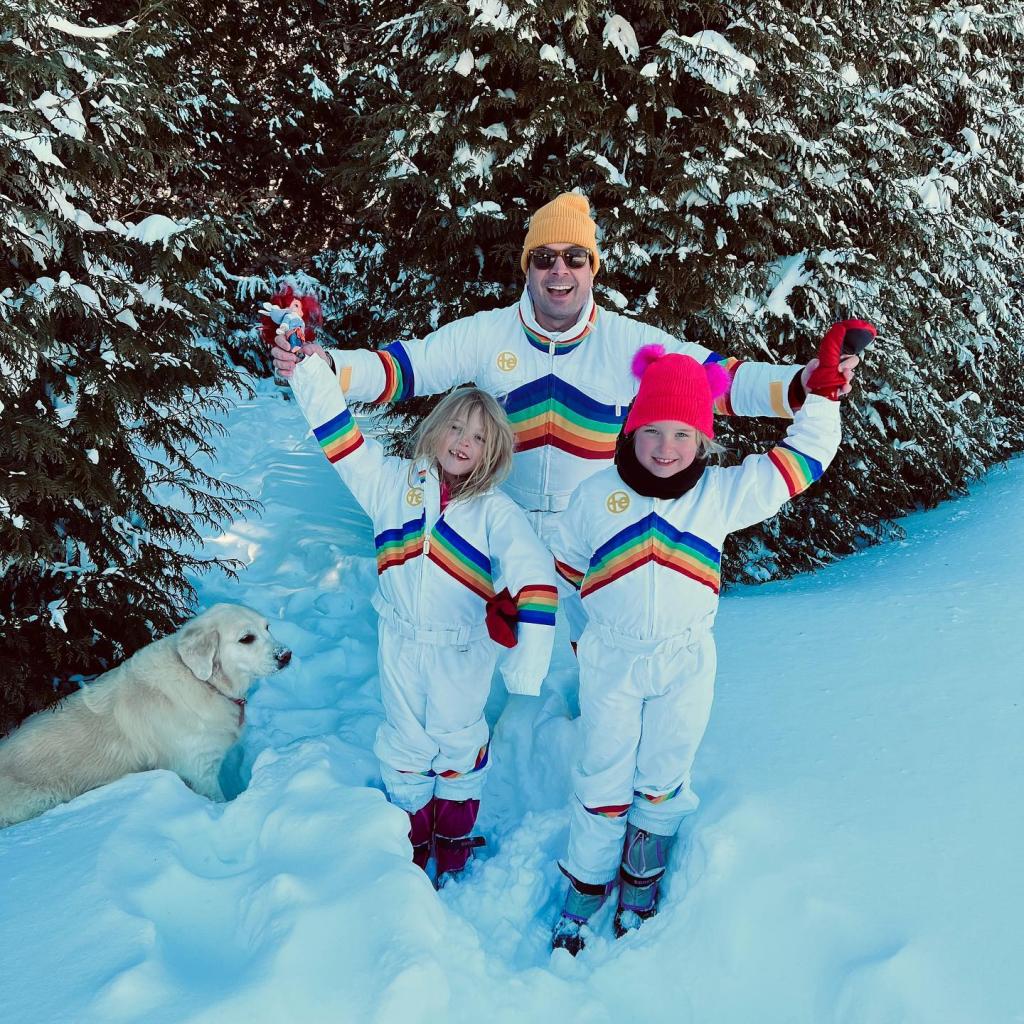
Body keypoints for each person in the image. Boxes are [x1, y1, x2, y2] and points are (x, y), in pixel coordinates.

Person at [268, 194, 861, 640]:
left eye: (575, 258)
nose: (560, 271)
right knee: (487, 663)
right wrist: (321, 364)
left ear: (592, 268)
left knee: (589, 672)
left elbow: (720, 383)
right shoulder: (487, 333)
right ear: (527, 267)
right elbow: (400, 370)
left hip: (594, 528)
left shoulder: (629, 342)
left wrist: (803, 384)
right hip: (502, 522)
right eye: (545, 258)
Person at [546, 319, 875, 954]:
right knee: (602, 772)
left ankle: (640, 877)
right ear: (631, 430)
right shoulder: (594, 496)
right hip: (612, 660)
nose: (666, 447)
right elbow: (566, 568)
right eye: (653, 431)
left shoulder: (719, 495)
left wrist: (826, 394)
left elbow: (802, 461)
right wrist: (585, 637)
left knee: (664, 770)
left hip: (685, 662)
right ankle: (585, 884)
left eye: (683, 434)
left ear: (702, 440)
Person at [287, 353, 558, 883]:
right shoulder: (392, 484)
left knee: (457, 740)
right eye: (455, 426)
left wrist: (526, 659)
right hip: (401, 642)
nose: (462, 442)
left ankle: (453, 837)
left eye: (477, 437)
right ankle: (410, 842)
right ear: (435, 429)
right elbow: (341, 440)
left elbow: (537, 573)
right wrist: (308, 371)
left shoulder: (495, 511)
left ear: (493, 450)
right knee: (406, 741)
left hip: (463, 650)